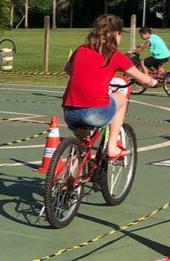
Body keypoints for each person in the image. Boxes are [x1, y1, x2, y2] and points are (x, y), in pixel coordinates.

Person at [62, 15, 155, 159]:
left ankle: (70, 177)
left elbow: (68, 69)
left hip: (69, 112)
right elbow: (144, 80)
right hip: (94, 112)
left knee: (82, 147)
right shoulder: (115, 56)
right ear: (116, 35)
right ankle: (112, 146)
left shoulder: (80, 50)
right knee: (121, 99)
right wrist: (153, 82)